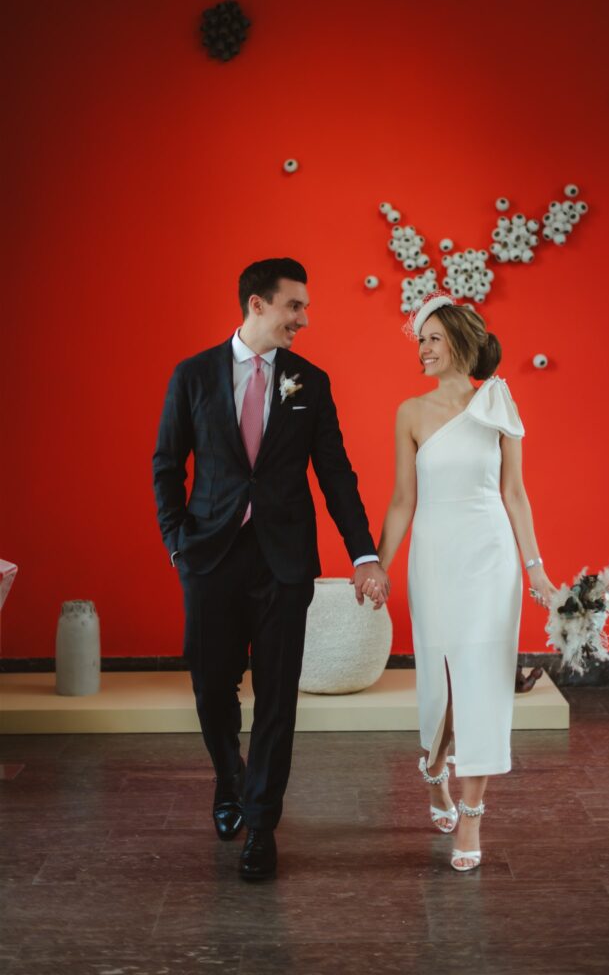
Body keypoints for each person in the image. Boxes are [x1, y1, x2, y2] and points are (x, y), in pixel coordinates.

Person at [152, 258, 389, 881]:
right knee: (211, 688)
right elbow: (166, 465)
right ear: (257, 304)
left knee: (278, 695)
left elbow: (335, 474)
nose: (303, 319)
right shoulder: (193, 375)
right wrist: (178, 545)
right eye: (294, 306)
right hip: (210, 558)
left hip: (284, 563)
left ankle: (261, 823)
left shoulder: (311, 382)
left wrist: (364, 553)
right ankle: (228, 777)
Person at [377, 296, 555, 873]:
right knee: (443, 682)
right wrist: (376, 565)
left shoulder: (497, 402)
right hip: (433, 556)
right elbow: (402, 500)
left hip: (490, 558)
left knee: (484, 682)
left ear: (459, 340)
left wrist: (535, 568)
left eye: (433, 337)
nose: (423, 349)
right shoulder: (409, 412)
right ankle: (435, 769)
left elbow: (515, 493)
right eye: (420, 340)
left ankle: (473, 816)